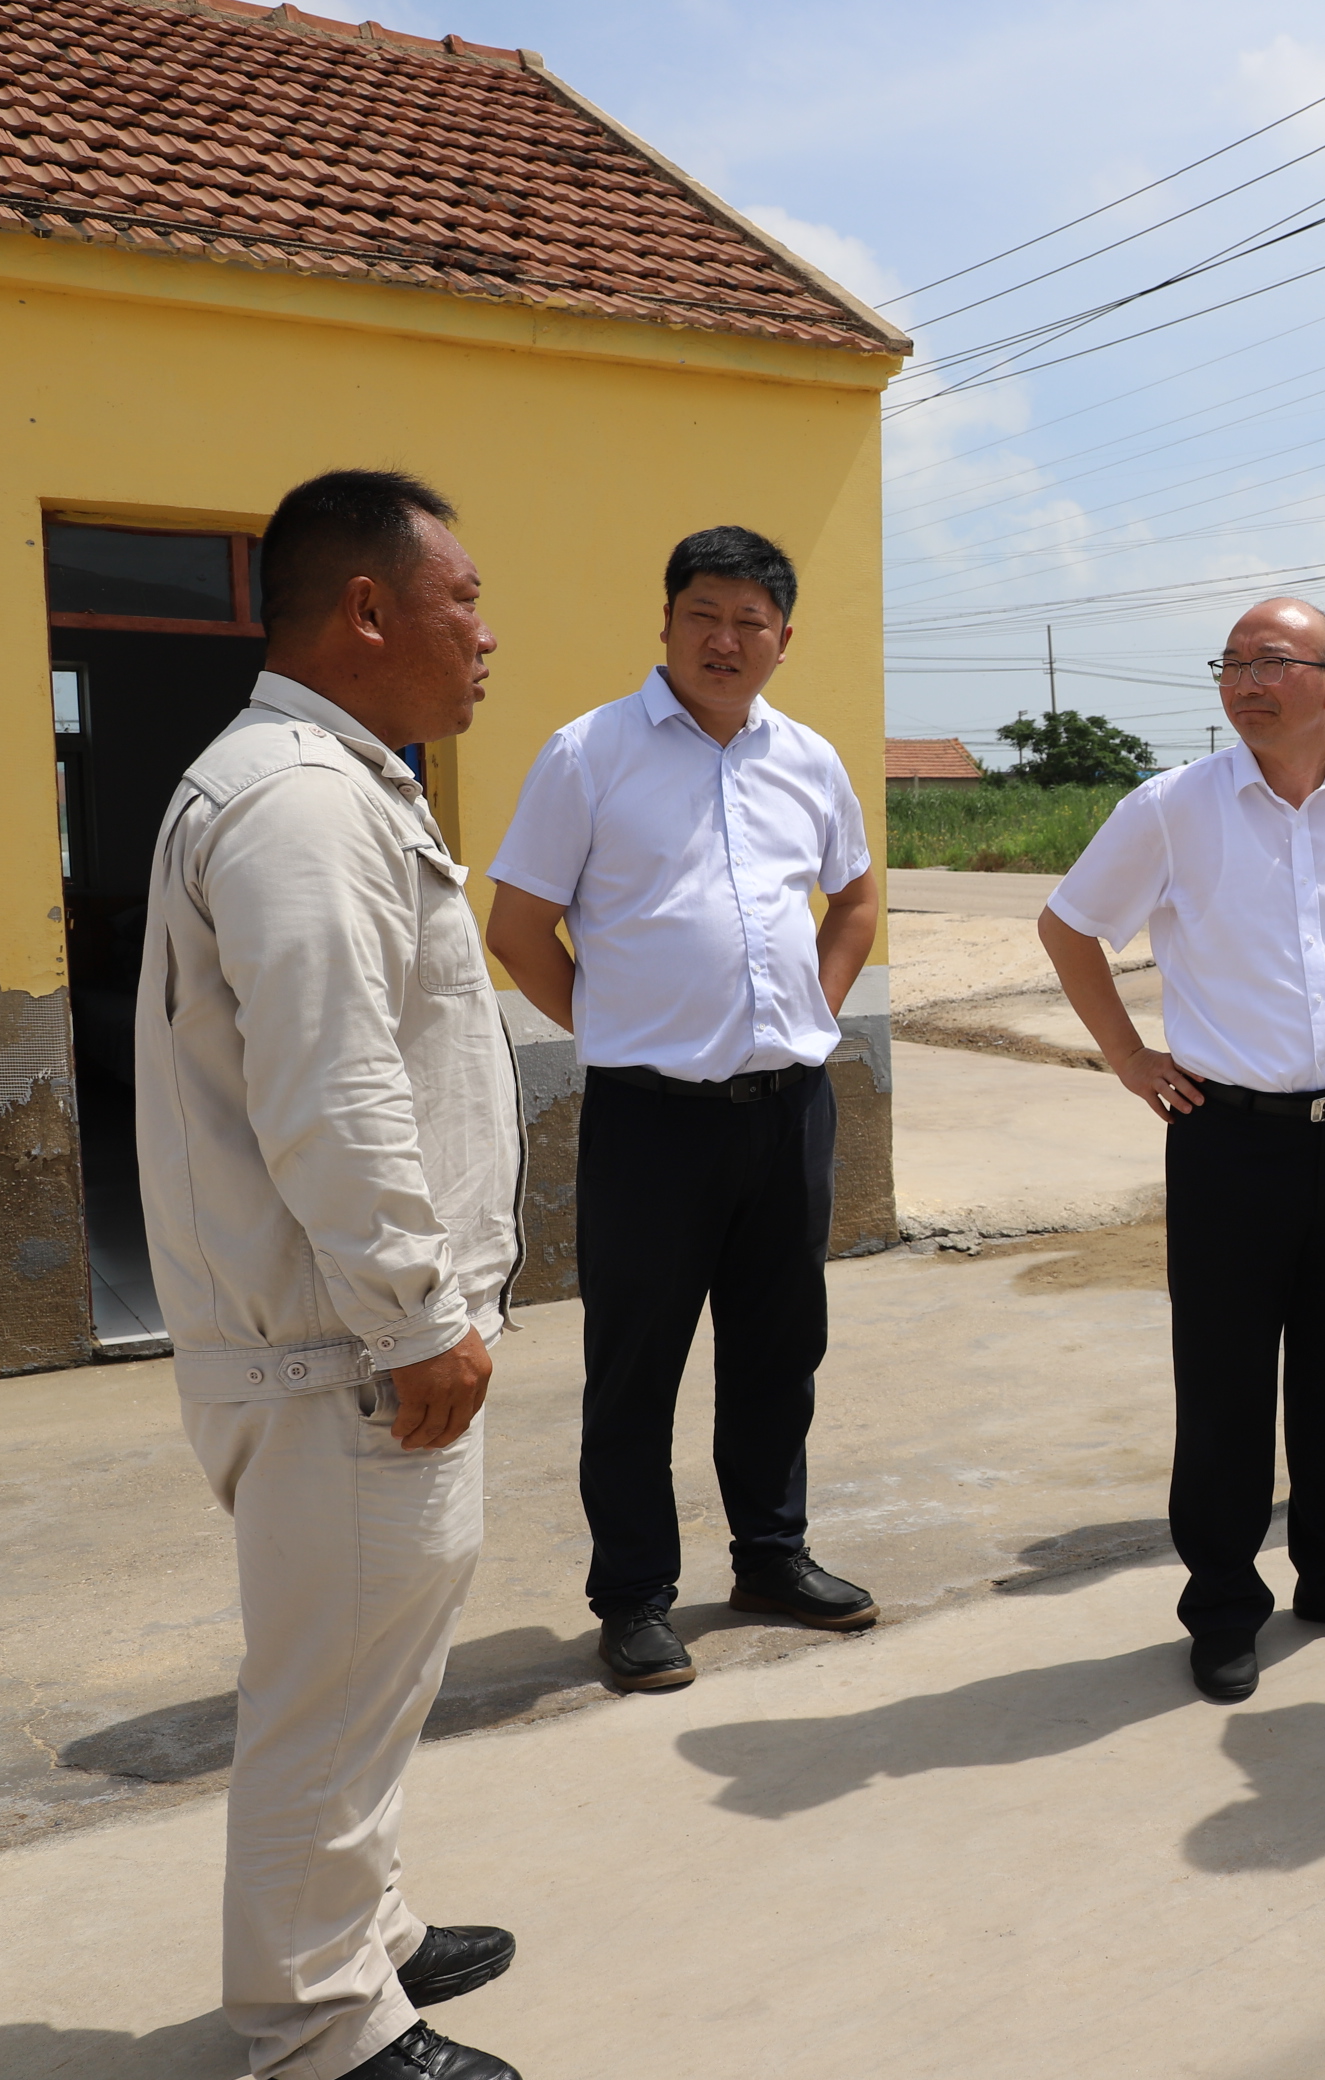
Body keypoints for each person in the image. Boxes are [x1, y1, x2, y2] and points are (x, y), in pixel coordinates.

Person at [137, 469, 526, 2080]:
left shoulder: (337, 783)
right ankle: (317, 2032)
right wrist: (417, 1317)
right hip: (348, 1356)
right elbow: (335, 1087)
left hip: (354, 1345)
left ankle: (361, 1930)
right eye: (464, 601)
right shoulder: (300, 802)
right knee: (332, 1690)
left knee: (374, 1674)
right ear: (368, 609)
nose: (487, 637)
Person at [1039, 597, 1325, 1704]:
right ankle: (1224, 1603)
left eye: (1272, 661)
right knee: (1226, 1381)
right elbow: (1068, 924)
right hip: (1228, 1139)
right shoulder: (1172, 807)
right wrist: (1128, 1055)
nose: (1245, 680)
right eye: (1232, 662)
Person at [487, 527, 882, 1693]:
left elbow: (856, 901)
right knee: (636, 1363)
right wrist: (613, 1024)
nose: (725, 638)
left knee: (779, 1349)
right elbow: (518, 928)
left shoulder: (807, 758)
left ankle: (771, 1555)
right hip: (651, 1121)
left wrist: (814, 1009)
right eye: (704, 613)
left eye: (750, 620)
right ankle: (634, 1598)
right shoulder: (589, 752)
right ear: (665, 623)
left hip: (788, 1112)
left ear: (782, 639)